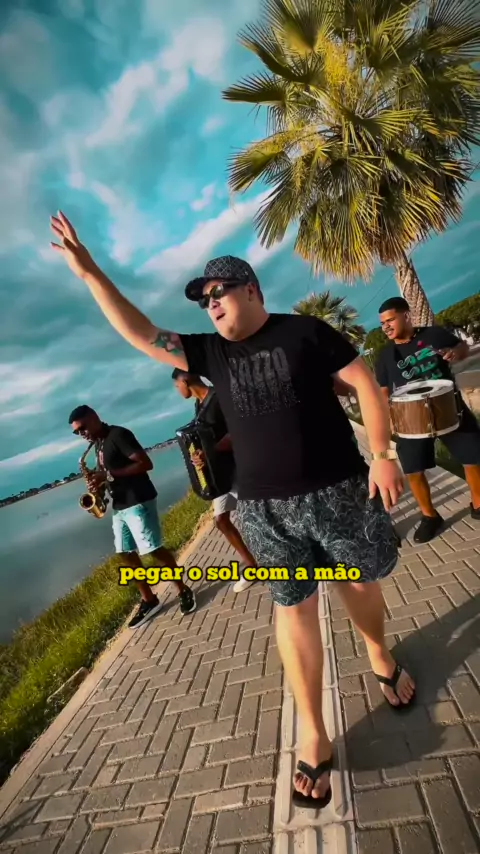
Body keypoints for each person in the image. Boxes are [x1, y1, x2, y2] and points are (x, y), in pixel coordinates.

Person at [51, 212, 414, 811]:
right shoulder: (209, 353)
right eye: (204, 299)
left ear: (252, 289)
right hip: (264, 512)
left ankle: (377, 650)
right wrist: (90, 272)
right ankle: (313, 732)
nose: (211, 303)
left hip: (338, 492)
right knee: (292, 609)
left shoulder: (306, 332)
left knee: (359, 585)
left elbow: (367, 388)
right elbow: (142, 333)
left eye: (219, 291)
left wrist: (382, 455)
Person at [69, 404, 196, 624]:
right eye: (77, 432)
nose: (81, 434)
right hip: (120, 505)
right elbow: (108, 476)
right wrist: (98, 488)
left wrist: (107, 475)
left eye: (82, 428)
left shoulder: (118, 435)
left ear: (93, 417)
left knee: (153, 549)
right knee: (125, 553)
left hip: (138, 500)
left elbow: (145, 463)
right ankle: (149, 599)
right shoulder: (98, 445)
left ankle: (183, 590)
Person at [375, 297, 480, 543]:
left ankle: (477, 503)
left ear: (406, 316)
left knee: (473, 457)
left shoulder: (434, 334)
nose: (386, 326)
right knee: (413, 470)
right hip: (410, 418)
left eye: (390, 320)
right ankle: (430, 516)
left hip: (449, 407)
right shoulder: (385, 355)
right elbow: (383, 391)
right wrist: (389, 417)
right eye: (382, 323)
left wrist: (456, 353)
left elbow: (462, 348)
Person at [172, 368, 257, 593]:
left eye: (176, 385)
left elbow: (237, 431)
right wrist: (198, 456)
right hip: (219, 473)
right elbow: (205, 439)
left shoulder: (219, 397)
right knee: (221, 520)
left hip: (237, 467)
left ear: (185, 380)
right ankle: (251, 566)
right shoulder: (198, 405)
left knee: (260, 512)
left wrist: (209, 452)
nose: (177, 390)